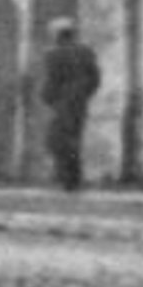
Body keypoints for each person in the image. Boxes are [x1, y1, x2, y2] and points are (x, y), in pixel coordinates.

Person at [40, 17, 102, 193]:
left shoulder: (53, 54)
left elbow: (52, 81)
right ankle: (73, 179)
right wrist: (84, 94)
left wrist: (49, 98)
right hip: (80, 102)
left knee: (57, 140)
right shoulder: (85, 51)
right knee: (73, 138)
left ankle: (67, 179)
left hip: (62, 102)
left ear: (57, 35)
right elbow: (95, 78)